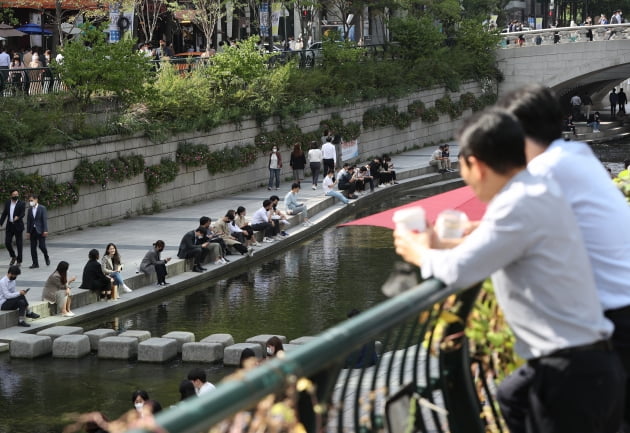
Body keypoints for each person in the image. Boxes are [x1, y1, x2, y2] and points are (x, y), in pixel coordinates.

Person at [394, 108, 624, 433]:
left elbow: (458, 272)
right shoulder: (537, 190)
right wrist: (445, 243)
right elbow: (500, 244)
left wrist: (417, 251)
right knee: (511, 395)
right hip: (590, 366)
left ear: (475, 164)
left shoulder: (517, 204)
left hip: (569, 374)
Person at [498, 84, 630, 432]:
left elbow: (500, 240)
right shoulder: (577, 158)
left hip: (609, 324)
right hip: (610, 318)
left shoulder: (544, 172)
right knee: (514, 395)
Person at [0, 190, 25, 266]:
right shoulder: (8, 203)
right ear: (11, 195)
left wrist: (18, 217)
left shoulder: (21, 203)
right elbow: (4, 214)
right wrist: (0, 223)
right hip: (10, 225)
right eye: (14, 194)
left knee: (19, 244)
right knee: (7, 242)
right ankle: (13, 256)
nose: (16, 196)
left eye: (17, 194)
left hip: (18, 225)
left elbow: (23, 213)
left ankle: (19, 261)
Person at [26, 194, 50, 269]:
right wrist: (28, 232)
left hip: (41, 230)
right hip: (32, 230)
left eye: (31, 200)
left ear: (36, 200)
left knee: (41, 246)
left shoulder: (42, 208)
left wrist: (45, 230)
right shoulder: (29, 210)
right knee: (33, 248)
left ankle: (46, 256)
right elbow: (29, 221)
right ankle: (35, 263)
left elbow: (44, 220)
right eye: (29, 201)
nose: (30, 202)